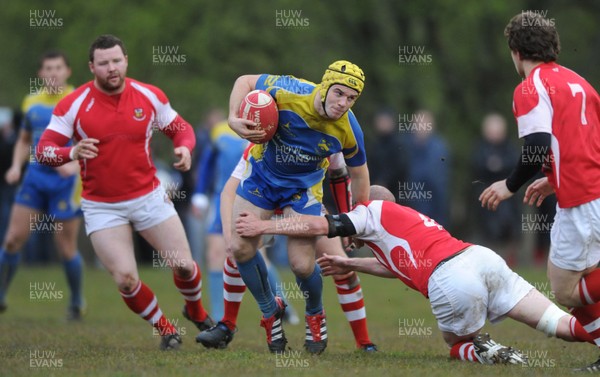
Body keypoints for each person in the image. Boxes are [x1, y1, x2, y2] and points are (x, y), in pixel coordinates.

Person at [236, 185, 597, 365]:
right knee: (569, 329)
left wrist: (263, 224)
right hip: (483, 260)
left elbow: (316, 223)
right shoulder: (407, 221)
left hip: (452, 281)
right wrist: (351, 265)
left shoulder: (370, 211)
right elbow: (401, 267)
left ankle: (489, 350)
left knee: (456, 345)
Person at [34, 35, 213, 350]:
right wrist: (71, 152)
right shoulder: (74, 104)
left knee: (184, 265)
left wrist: (184, 148)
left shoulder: (148, 95)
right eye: (103, 63)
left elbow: (181, 129)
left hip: (149, 198)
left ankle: (196, 311)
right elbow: (44, 150)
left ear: (126, 61)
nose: (111, 68)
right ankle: (165, 329)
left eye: (116, 61)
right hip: (103, 207)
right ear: (92, 67)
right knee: (125, 279)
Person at [478, 12, 600, 371]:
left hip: (582, 199)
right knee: (580, 278)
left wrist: (509, 184)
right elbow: (583, 141)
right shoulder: (580, 82)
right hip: (588, 188)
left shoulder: (530, 88)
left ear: (515, 51)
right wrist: (553, 176)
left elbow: (537, 143)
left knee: (564, 288)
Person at [225, 61, 370, 354]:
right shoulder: (289, 89)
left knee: (302, 265)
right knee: (239, 247)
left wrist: (359, 218)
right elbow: (244, 78)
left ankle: (315, 312)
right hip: (261, 181)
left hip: (302, 192)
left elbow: (359, 173)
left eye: (351, 98)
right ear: (325, 85)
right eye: (339, 93)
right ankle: (270, 312)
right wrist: (232, 117)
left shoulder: (349, 128)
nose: (343, 103)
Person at [196, 148, 376, 351]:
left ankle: (362, 341)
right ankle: (227, 324)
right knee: (238, 251)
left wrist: (348, 221)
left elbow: (341, 175)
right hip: (266, 210)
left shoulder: (326, 134)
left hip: (302, 210)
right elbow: (229, 190)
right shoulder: (263, 140)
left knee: (341, 265)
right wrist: (229, 238)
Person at [0, 51, 84, 320]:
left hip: (66, 183)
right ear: (40, 73)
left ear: (68, 71)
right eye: (48, 68)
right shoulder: (31, 103)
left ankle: (75, 302)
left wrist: (74, 164)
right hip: (35, 178)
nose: (53, 73)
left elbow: (95, 142)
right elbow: (25, 140)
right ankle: (1, 295)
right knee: (12, 240)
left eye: (58, 67)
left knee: (66, 247)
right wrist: (15, 165)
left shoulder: (80, 100)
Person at [471, 113, 520, 264]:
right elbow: (477, 166)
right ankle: (491, 260)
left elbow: (515, 166)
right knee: (489, 229)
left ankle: (510, 260)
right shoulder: (480, 148)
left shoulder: (510, 148)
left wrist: (497, 167)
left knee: (508, 227)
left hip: (508, 199)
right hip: (486, 196)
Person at [404, 110, 450, 226]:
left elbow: (440, 182)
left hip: (433, 206)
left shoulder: (439, 148)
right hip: (410, 205)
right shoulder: (405, 145)